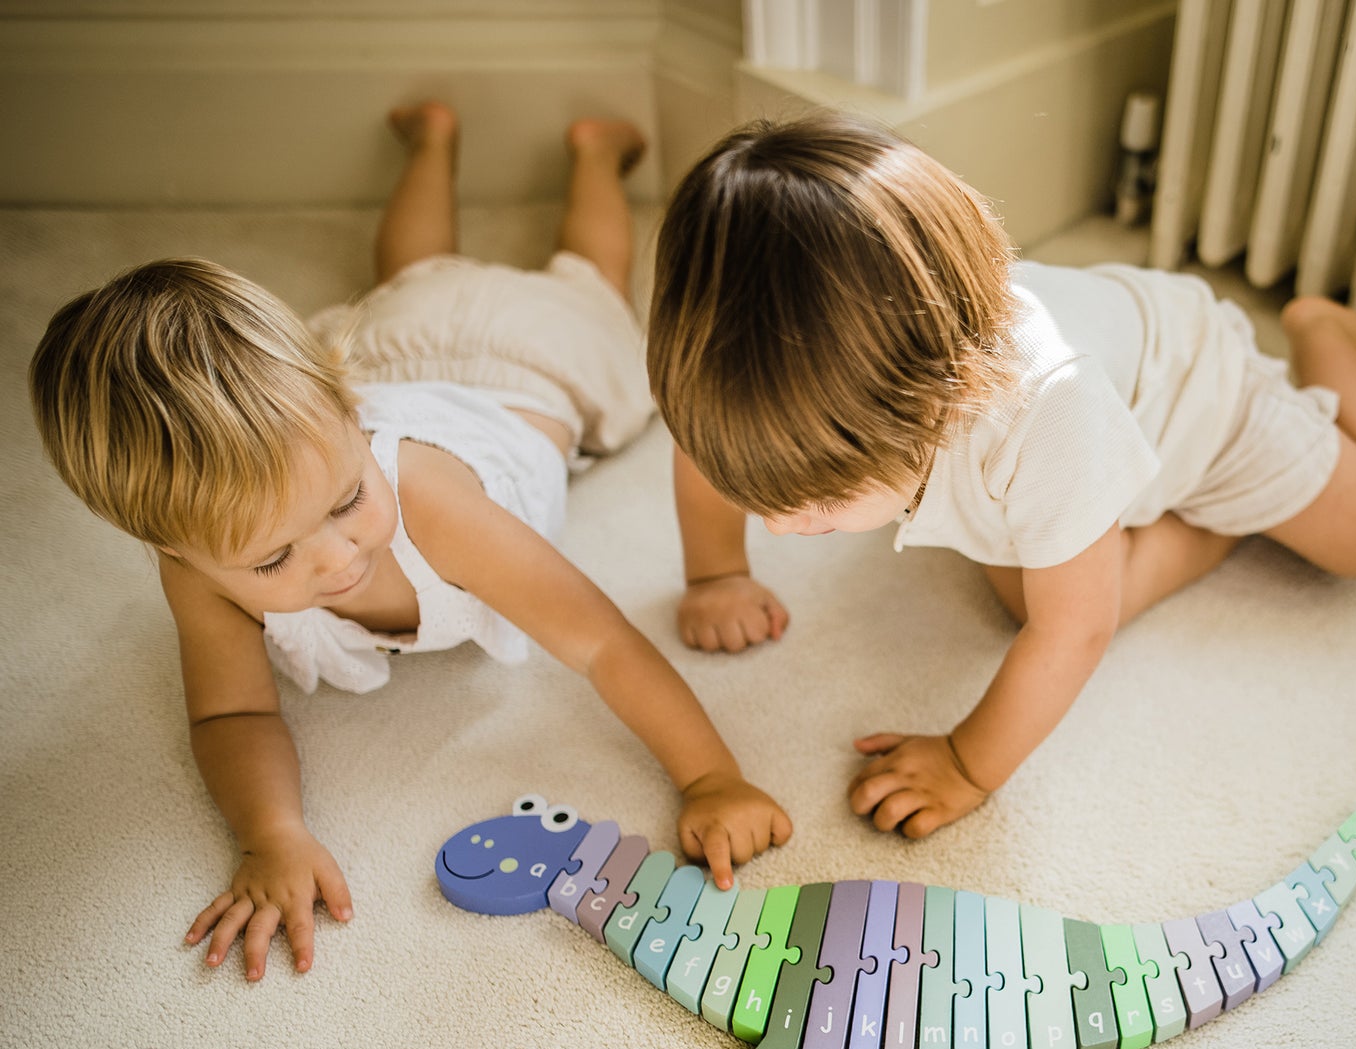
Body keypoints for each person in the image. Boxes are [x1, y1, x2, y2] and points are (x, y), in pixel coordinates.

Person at [28, 103, 791, 981]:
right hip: (407, 342)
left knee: (588, 287)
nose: (334, 557)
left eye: (348, 499)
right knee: (408, 277)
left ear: (351, 412)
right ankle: (432, 142)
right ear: (171, 551)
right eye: (273, 560)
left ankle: (597, 156)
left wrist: (710, 777)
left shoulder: (430, 502)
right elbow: (229, 712)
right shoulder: (198, 564)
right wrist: (271, 832)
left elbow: (602, 640)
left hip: (535, 364)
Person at [653, 111, 1356, 839]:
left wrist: (965, 762)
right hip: (1066, 447)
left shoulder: (1048, 408)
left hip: (1202, 399)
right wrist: (715, 572)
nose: (781, 525)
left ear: (931, 399)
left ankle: (1319, 329)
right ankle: (1156, 521)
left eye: (816, 497)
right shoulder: (747, 383)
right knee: (1035, 588)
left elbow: (1074, 631)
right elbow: (700, 452)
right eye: (759, 497)